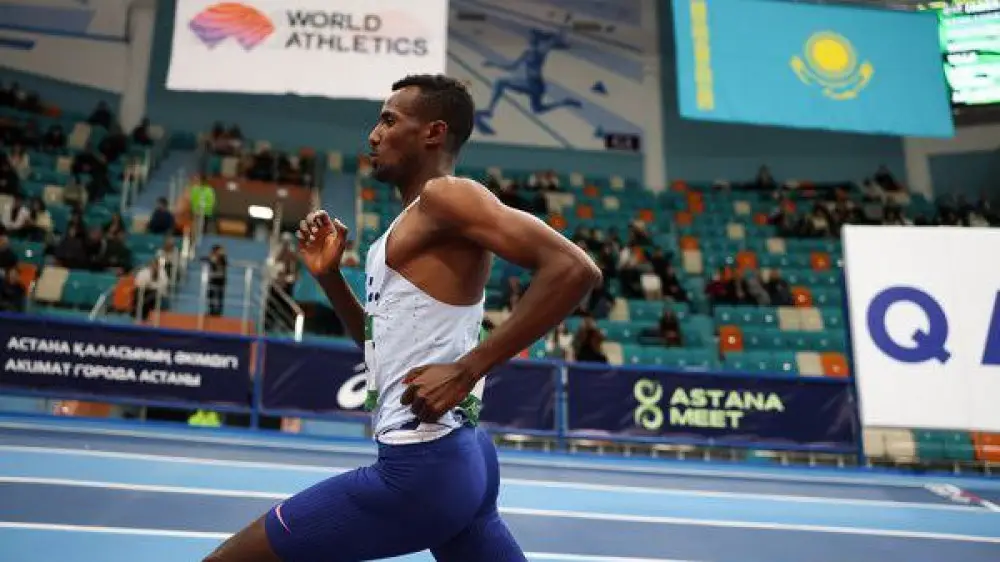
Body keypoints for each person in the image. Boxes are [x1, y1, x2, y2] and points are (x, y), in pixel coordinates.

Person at [202, 74, 601, 562]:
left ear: (433, 132)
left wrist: (468, 369)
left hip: (424, 464)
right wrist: (330, 278)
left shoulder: (446, 197)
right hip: (461, 455)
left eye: (389, 121)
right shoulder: (408, 223)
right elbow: (378, 350)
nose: (374, 135)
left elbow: (574, 270)